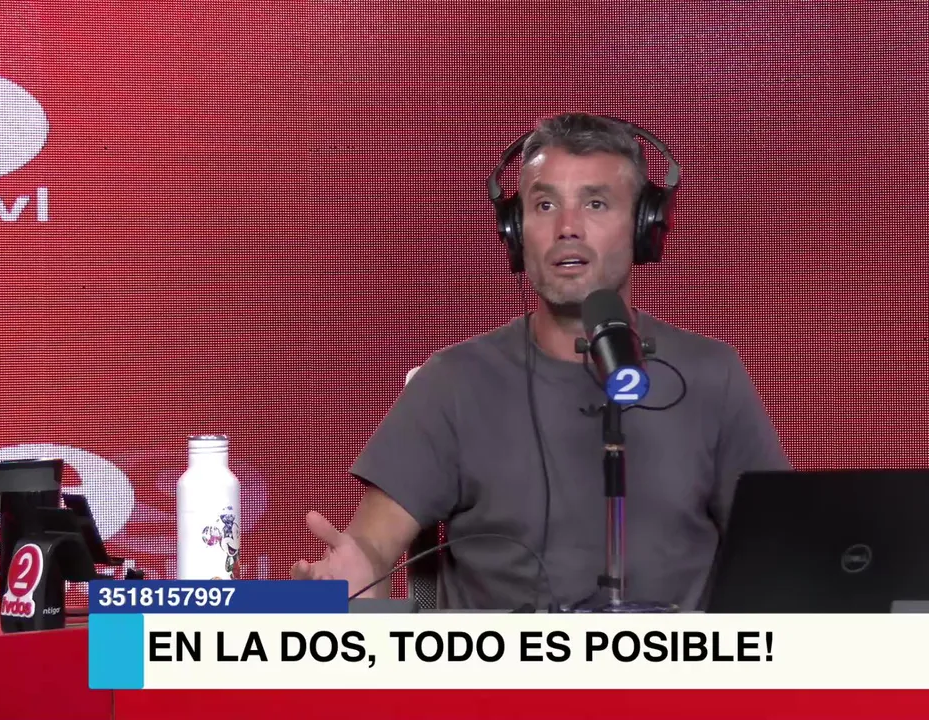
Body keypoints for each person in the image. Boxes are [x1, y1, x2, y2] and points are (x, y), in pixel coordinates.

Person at [291, 112, 790, 610]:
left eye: (596, 203)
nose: (567, 228)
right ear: (516, 230)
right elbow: (373, 547)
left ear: (644, 226)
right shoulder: (453, 384)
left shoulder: (711, 375)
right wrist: (358, 579)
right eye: (545, 204)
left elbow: (782, 558)